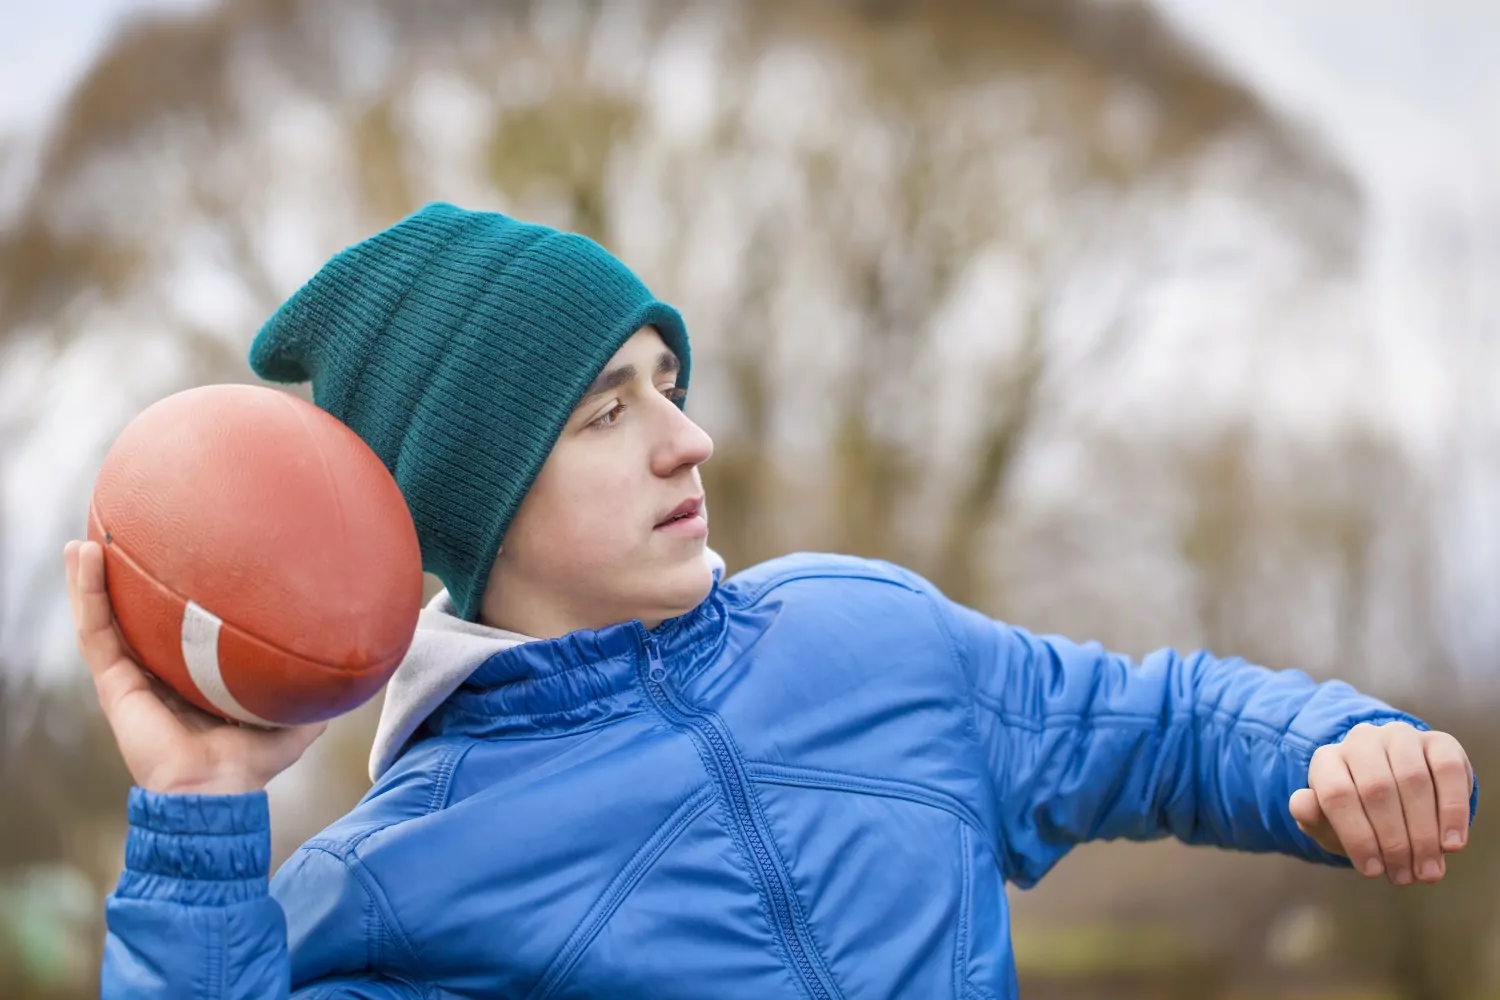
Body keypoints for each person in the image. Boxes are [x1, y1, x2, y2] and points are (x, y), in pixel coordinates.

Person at [66, 203, 1478, 1000]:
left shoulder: (867, 632)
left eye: (668, 388)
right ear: (476, 499)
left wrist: (1333, 744)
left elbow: (1160, 720)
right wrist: (195, 822)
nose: (689, 443)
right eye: (606, 413)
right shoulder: (392, 882)